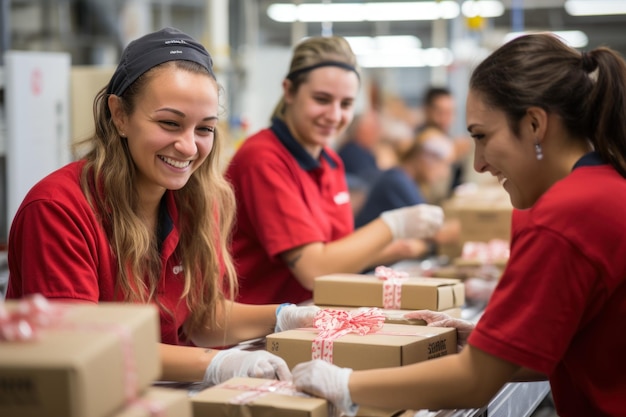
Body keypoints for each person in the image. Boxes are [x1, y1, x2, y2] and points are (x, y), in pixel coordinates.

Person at [292, 33, 626, 417]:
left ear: (535, 124)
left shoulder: (565, 216)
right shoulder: (602, 187)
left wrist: (345, 384)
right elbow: (573, 350)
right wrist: (490, 344)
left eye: (482, 137)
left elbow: (474, 382)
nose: (479, 163)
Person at [5, 27, 318, 385]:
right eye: (170, 124)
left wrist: (285, 317)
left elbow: (200, 317)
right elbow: (85, 348)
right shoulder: (58, 209)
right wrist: (217, 365)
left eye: (204, 129)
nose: (188, 147)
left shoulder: (195, 200)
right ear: (120, 115)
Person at [225, 36, 444, 305]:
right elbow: (313, 269)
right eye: (322, 99)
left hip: (311, 316)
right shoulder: (263, 159)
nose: (334, 115)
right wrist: (394, 225)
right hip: (256, 330)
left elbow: (334, 254)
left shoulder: (329, 160)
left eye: (346, 104)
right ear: (289, 91)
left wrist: (394, 248)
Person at [418, 86, 473, 198]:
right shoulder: (419, 142)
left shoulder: (449, 139)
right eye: (440, 112)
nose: (445, 119)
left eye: (450, 112)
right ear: (427, 111)